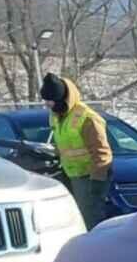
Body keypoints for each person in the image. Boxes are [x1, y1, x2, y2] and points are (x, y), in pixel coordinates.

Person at [39, 72, 111, 228]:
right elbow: (63, 145)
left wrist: (98, 180)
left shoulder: (87, 118)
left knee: (90, 218)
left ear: (60, 99)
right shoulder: (56, 116)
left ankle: (95, 250)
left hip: (89, 176)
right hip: (72, 175)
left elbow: (101, 151)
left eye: (50, 101)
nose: (47, 105)